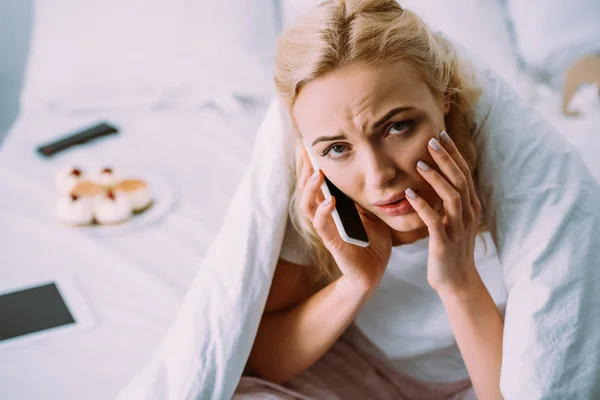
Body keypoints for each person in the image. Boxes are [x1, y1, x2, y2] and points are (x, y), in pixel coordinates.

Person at [243, 0, 600, 399]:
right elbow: (258, 359)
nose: (379, 176)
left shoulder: (521, 193)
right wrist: (356, 284)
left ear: (444, 97)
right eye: (338, 149)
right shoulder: (321, 202)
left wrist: (458, 278)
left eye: (398, 127)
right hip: (368, 371)